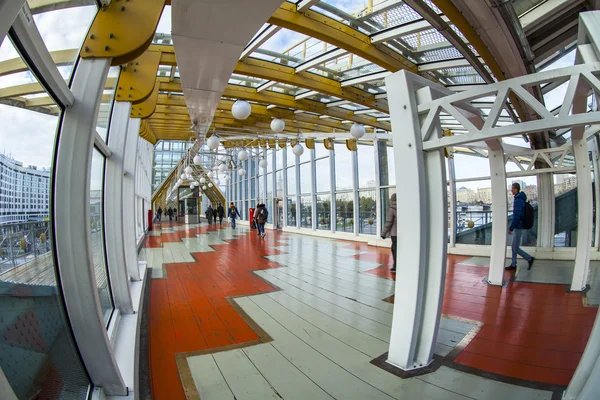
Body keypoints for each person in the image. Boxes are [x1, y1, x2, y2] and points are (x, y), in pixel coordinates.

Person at [506, 183, 535, 271]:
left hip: (518, 227)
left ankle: (529, 258)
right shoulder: (520, 199)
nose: (511, 190)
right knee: (514, 247)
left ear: (516, 189)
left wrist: (511, 228)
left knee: (515, 248)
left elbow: (517, 216)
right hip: (519, 226)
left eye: (512, 188)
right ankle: (513, 264)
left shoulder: (518, 200)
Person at [381, 193, 397, 273]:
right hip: (402, 233)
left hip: (394, 234)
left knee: (394, 250)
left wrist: (383, 233)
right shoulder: (403, 207)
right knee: (396, 249)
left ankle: (395, 267)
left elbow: (388, 222)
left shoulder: (392, 209)